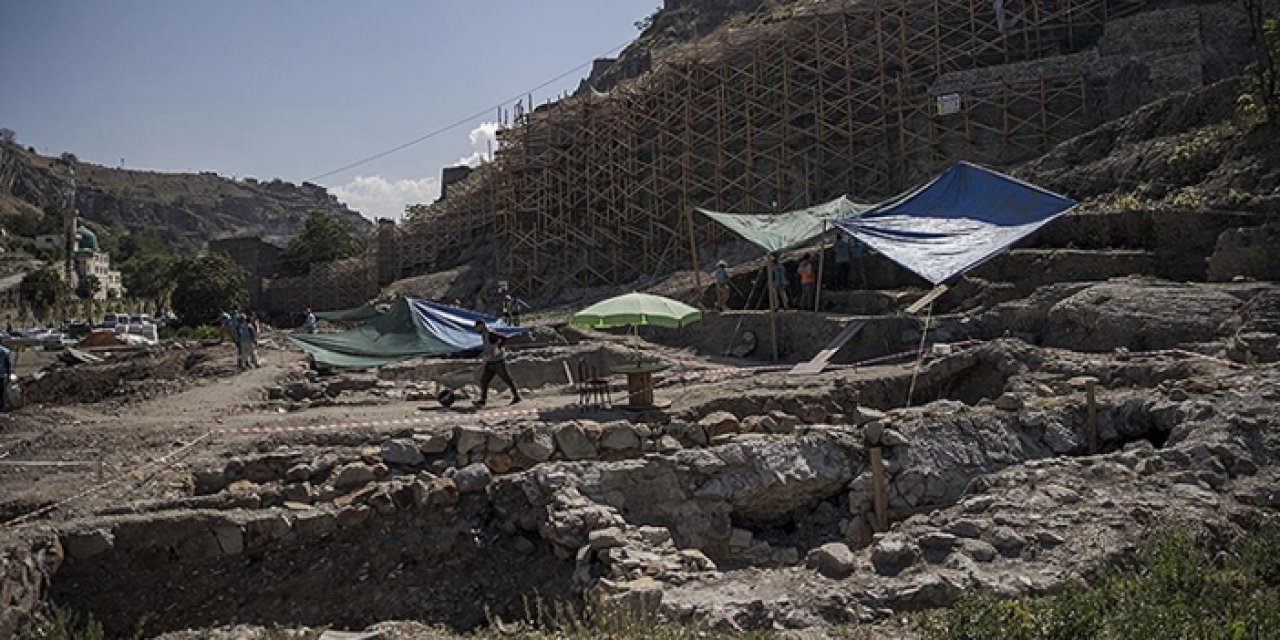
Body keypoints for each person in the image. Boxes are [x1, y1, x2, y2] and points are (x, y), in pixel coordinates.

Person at [473, 319, 521, 407]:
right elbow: (488, 347)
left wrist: (497, 350)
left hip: (498, 362)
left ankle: (517, 396)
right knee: (484, 380)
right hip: (490, 362)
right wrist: (482, 354)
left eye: (477, 327)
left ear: (482, 326)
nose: (476, 330)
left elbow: (504, 338)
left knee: (507, 379)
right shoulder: (484, 335)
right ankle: (482, 400)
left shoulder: (491, 333)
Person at [0, 342, 11, 412]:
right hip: (1, 374)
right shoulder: (4, 351)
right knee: (1, 391)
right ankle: (1, 406)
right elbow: (8, 364)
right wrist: (8, 374)